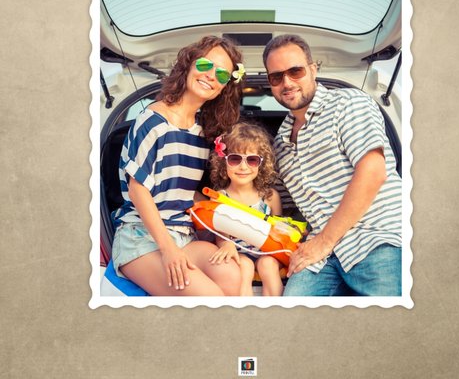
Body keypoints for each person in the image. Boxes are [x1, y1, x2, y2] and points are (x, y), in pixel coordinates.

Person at [263, 34, 402, 296]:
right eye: (276, 77)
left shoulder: (348, 103)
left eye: (295, 71)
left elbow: (373, 173)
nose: (287, 82)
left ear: (313, 69)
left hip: (377, 239)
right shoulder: (280, 142)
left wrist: (324, 242)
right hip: (322, 256)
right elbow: (278, 204)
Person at [110, 35, 246, 296]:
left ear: (224, 87)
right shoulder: (153, 120)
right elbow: (138, 190)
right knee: (212, 298)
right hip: (141, 237)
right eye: (205, 65)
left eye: (221, 74)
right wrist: (168, 250)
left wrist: (225, 237)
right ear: (189, 65)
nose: (211, 76)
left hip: (183, 234)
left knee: (231, 275)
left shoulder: (201, 133)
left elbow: (187, 195)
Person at [206, 122, 286, 296]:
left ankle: (277, 308)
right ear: (223, 162)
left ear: (261, 164)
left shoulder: (269, 197)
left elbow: (278, 230)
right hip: (238, 253)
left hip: (268, 253)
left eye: (252, 160)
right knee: (245, 265)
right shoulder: (220, 197)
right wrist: (226, 244)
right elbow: (219, 233)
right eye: (235, 159)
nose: (243, 167)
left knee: (267, 264)